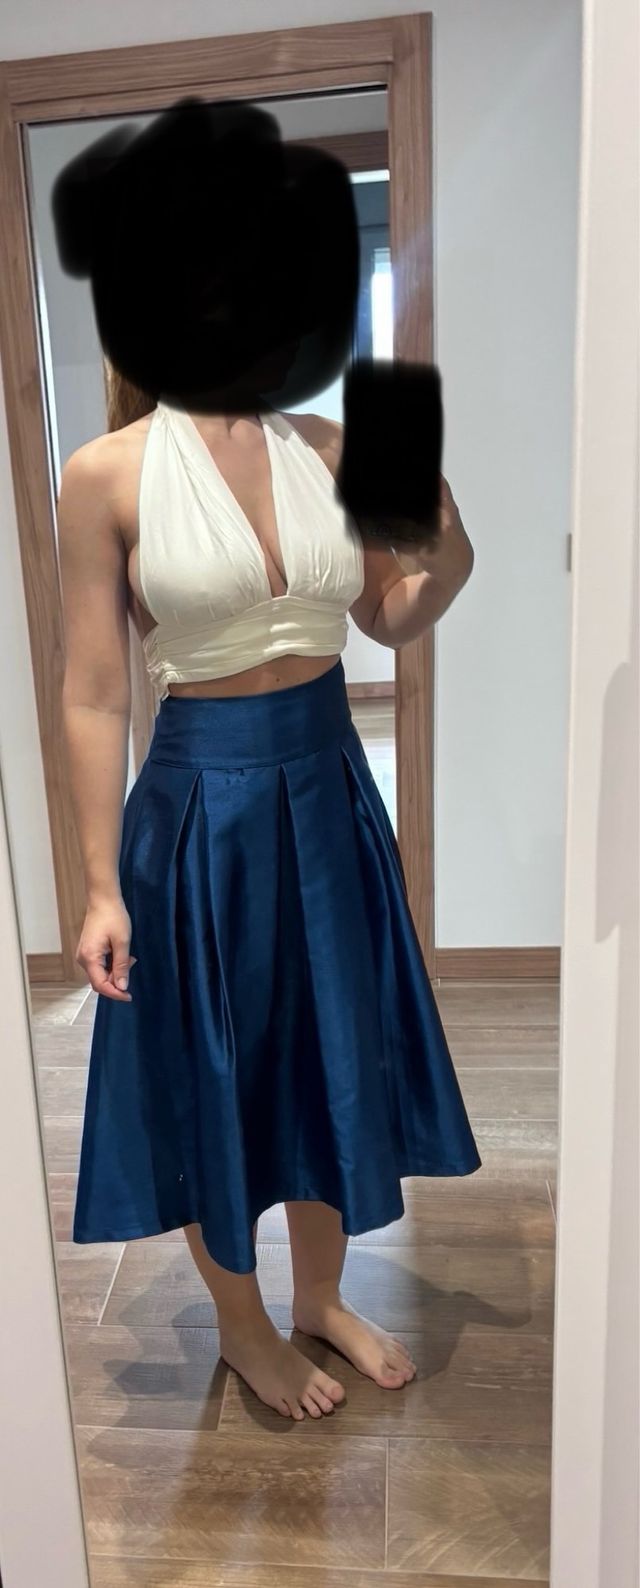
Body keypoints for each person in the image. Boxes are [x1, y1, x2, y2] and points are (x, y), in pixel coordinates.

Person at [58, 359, 481, 1423]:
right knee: (220, 1066)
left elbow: (388, 611)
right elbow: (96, 692)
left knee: (325, 1049)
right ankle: (244, 1327)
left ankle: (321, 1297)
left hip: (328, 791)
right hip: (201, 814)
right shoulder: (106, 473)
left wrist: (448, 548)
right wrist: (102, 885)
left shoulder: (330, 446)